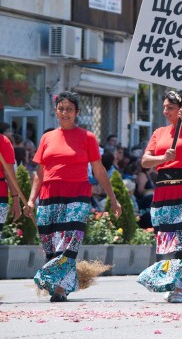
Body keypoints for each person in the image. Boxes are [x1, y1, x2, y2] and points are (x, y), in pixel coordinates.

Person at [24, 91, 122, 302]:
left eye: (69, 109)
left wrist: (113, 198)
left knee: (70, 241)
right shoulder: (47, 137)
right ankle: (59, 283)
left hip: (77, 195)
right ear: (56, 111)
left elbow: (99, 170)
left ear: (77, 112)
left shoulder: (87, 137)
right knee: (50, 242)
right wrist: (32, 199)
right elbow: (39, 173)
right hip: (49, 195)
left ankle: (59, 287)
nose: (65, 112)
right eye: (61, 108)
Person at [136, 90, 182, 303]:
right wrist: (163, 157)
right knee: (166, 239)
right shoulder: (160, 132)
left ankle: (177, 288)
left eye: (170, 107)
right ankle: (168, 282)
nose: (165, 111)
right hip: (164, 189)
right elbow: (145, 161)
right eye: (165, 107)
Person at [1, 132, 22, 233]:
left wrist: (16, 200)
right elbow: (9, 174)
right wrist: (16, 200)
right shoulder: (3, 141)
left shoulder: (3, 142)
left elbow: (9, 174)